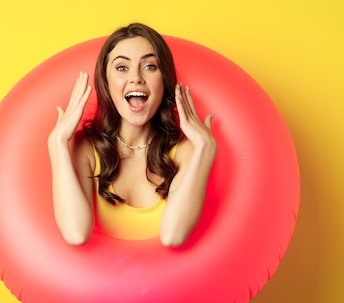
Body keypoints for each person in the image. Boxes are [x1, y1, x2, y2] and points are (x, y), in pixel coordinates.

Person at [47, 23, 217, 247]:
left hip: (169, 282)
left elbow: (173, 236)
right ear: (106, 83)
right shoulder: (86, 147)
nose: (136, 77)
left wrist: (206, 148)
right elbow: (76, 233)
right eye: (121, 68)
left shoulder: (183, 151)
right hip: (100, 280)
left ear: (164, 81)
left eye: (149, 66)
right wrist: (57, 142)